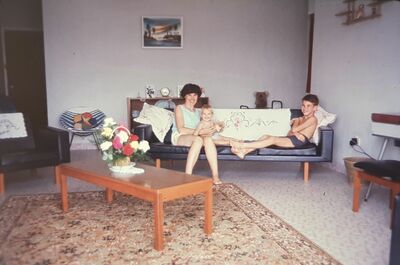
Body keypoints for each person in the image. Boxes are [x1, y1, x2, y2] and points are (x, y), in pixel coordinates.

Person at [230, 94, 319, 159]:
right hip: (294, 138)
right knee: (266, 136)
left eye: (308, 106)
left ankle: (242, 146)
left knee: (272, 139)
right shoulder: (302, 118)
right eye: (303, 105)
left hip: (300, 141)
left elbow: (294, 129)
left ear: (315, 108)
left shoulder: (312, 119)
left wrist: (296, 121)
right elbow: (290, 132)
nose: (305, 108)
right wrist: (296, 129)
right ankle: (244, 152)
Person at [171, 84, 222, 184]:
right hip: (180, 136)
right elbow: (181, 129)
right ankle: (187, 177)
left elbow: (208, 126)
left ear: (198, 96)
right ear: (184, 96)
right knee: (198, 139)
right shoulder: (179, 108)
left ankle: (215, 176)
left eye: (195, 95)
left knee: (208, 139)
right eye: (189, 95)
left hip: (196, 136)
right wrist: (201, 132)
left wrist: (215, 128)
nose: (192, 98)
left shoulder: (199, 112)